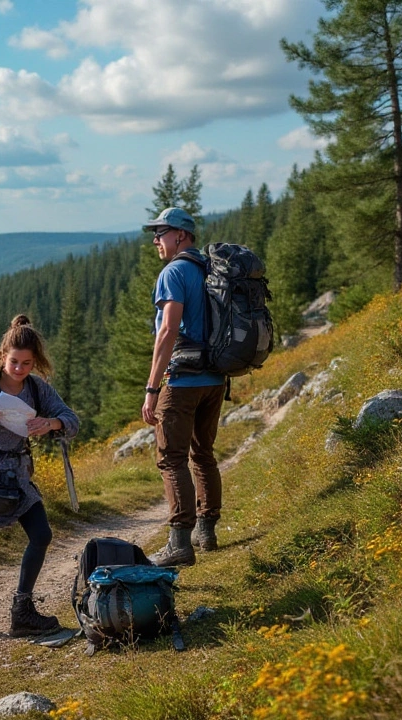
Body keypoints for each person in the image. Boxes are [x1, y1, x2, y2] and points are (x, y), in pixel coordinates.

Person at [0, 314, 80, 638]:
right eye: (14, 362)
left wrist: (51, 424)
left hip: (18, 476)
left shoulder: (38, 389)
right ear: (3, 355)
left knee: (42, 535)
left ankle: (22, 611)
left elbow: (72, 421)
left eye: (26, 363)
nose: (20, 369)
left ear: (35, 362)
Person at [139, 207, 226, 567]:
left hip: (183, 378)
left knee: (171, 458)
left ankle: (179, 542)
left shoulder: (174, 271)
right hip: (215, 378)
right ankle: (206, 530)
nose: (156, 240)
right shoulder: (208, 270)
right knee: (202, 453)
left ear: (181, 235)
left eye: (161, 232)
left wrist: (152, 387)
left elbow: (168, 330)